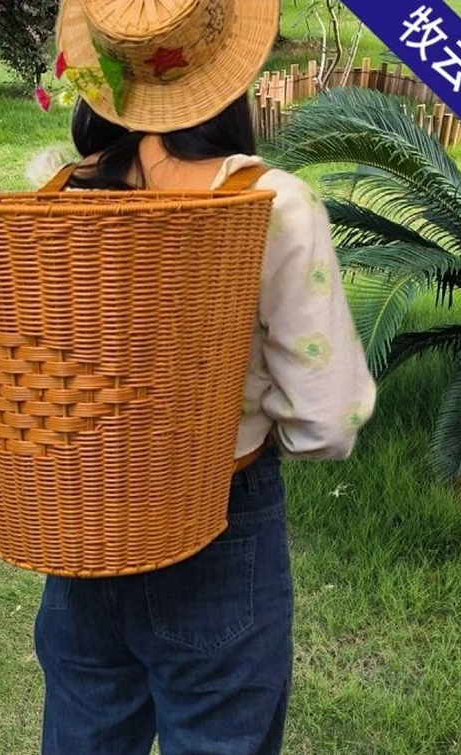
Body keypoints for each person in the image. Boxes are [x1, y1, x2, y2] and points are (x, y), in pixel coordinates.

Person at [29, 1, 377, 753]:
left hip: (83, 515)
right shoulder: (270, 203)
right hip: (220, 513)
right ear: (229, 72)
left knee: (85, 726)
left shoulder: (55, 194)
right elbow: (325, 417)